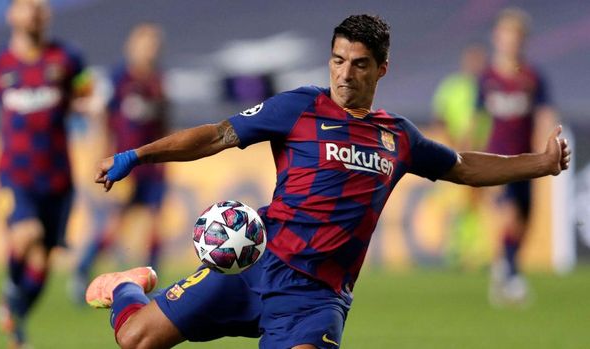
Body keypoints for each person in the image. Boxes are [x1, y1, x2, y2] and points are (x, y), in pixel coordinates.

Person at [86, 14, 570, 348]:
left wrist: (541, 163)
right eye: (337, 60)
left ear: (382, 68)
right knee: (134, 338)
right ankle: (129, 284)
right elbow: (216, 136)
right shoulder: (297, 107)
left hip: (315, 298)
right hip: (256, 264)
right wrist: (137, 154)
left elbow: (462, 165)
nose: (345, 74)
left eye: (359, 64)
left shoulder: (397, 137)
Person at [0, 0, 90, 347]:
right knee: (27, 233)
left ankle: (17, 316)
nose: (35, 12)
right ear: (12, 14)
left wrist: (91, 111)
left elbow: (87, 97)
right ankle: (11, 289)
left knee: (42, 260)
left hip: (57, 177)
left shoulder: (67, 58)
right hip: (14, 174)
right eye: (27, 6)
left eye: (41, 6)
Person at [72, 23, 169, 302]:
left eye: (155, 45)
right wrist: (102, 154)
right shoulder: (118, 79)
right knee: (116, 224)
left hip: (153, 166)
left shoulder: (158, 81)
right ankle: (82, 270)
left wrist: (168, 156)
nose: (151, 50)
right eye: (146, 44)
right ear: (133, 47)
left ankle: (154, 284)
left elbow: (164, 123)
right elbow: (103, 119)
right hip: (124, 164)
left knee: (155, 222)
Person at [478, 8, 559, 305]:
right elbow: (476, 120)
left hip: (527, 160)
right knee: (509, 214)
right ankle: (512, 276)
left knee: (525, 218)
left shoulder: (532, 77)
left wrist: (549, 144)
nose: (510, 41)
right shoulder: (486, 78)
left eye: (516, 35)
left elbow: (545, 112)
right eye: (506, 34)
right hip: (497, 161)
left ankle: (505, 267)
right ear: (496, 38)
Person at [431, 43, 491, 269]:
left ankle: (476, 252)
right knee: (458, 203)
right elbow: (440, 117)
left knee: (476, 202)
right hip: (454, 154)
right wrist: (452, 142)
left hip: (482, 153)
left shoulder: (487, 87)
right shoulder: (452, 87)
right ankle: (456, 250)